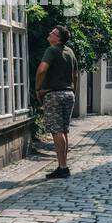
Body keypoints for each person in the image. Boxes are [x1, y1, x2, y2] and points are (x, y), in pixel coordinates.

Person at [36, 25, 78, 180]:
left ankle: (62, 167)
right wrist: (73, 92)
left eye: (52, 32)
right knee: (64, 131)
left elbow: (42, 70)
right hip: (69, 94)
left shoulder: (52, 50)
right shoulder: (70, 52)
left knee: (56, 131)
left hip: (54, 94)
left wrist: (38, 88)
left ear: (58, 38)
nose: (49, 33)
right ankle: (63, 166)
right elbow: (75, 75)